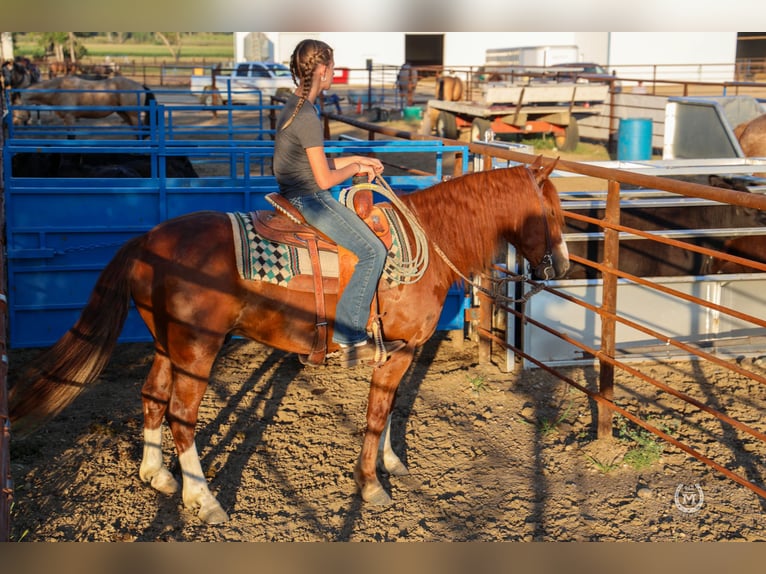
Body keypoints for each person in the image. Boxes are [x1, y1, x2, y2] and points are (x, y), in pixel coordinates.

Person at [273, 39, 406, 367]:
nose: (334, 72)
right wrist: (352, 168)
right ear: (321, 70)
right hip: (309, 199)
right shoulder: (307, 115)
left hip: (296, 190)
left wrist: (357, 160)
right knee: (373, 251)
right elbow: (324, 180)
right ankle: (350, 339)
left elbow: (315, 164)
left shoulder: (296, 106)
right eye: (332, 66)